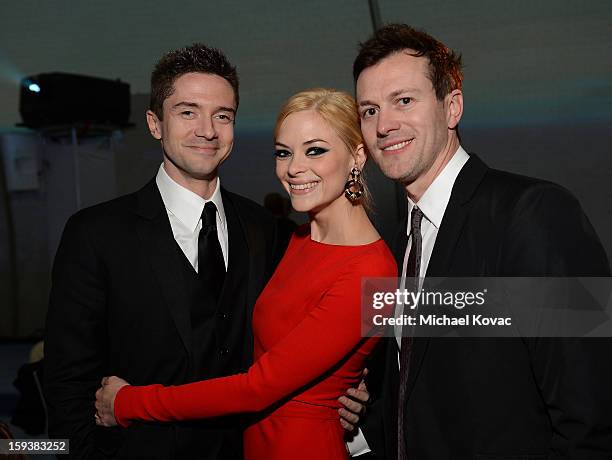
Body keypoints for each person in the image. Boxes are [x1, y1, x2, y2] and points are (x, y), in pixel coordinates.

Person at [43, 45, 360, 460]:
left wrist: (352, 384)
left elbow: (302, 339)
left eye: (222, 115)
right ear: (155, 123)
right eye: (188, 112)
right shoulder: (96, 234)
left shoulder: (263, 229)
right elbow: (67, 380)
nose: (207, 130)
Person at [352, 24, 612, 459]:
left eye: (404, 101)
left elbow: (591, 417)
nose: (385, 125)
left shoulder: (535, 213)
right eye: (370, 110)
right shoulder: (392, 249)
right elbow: (409, 402)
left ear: (452, 107)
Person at [94, 88, 397, 460]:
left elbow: (258, 387)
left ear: (357, 155)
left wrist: (128, 403)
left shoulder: (373, 271)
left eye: (315, 150)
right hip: (252, 444)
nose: (294, 168)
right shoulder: (295, 240)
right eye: (284, 152)